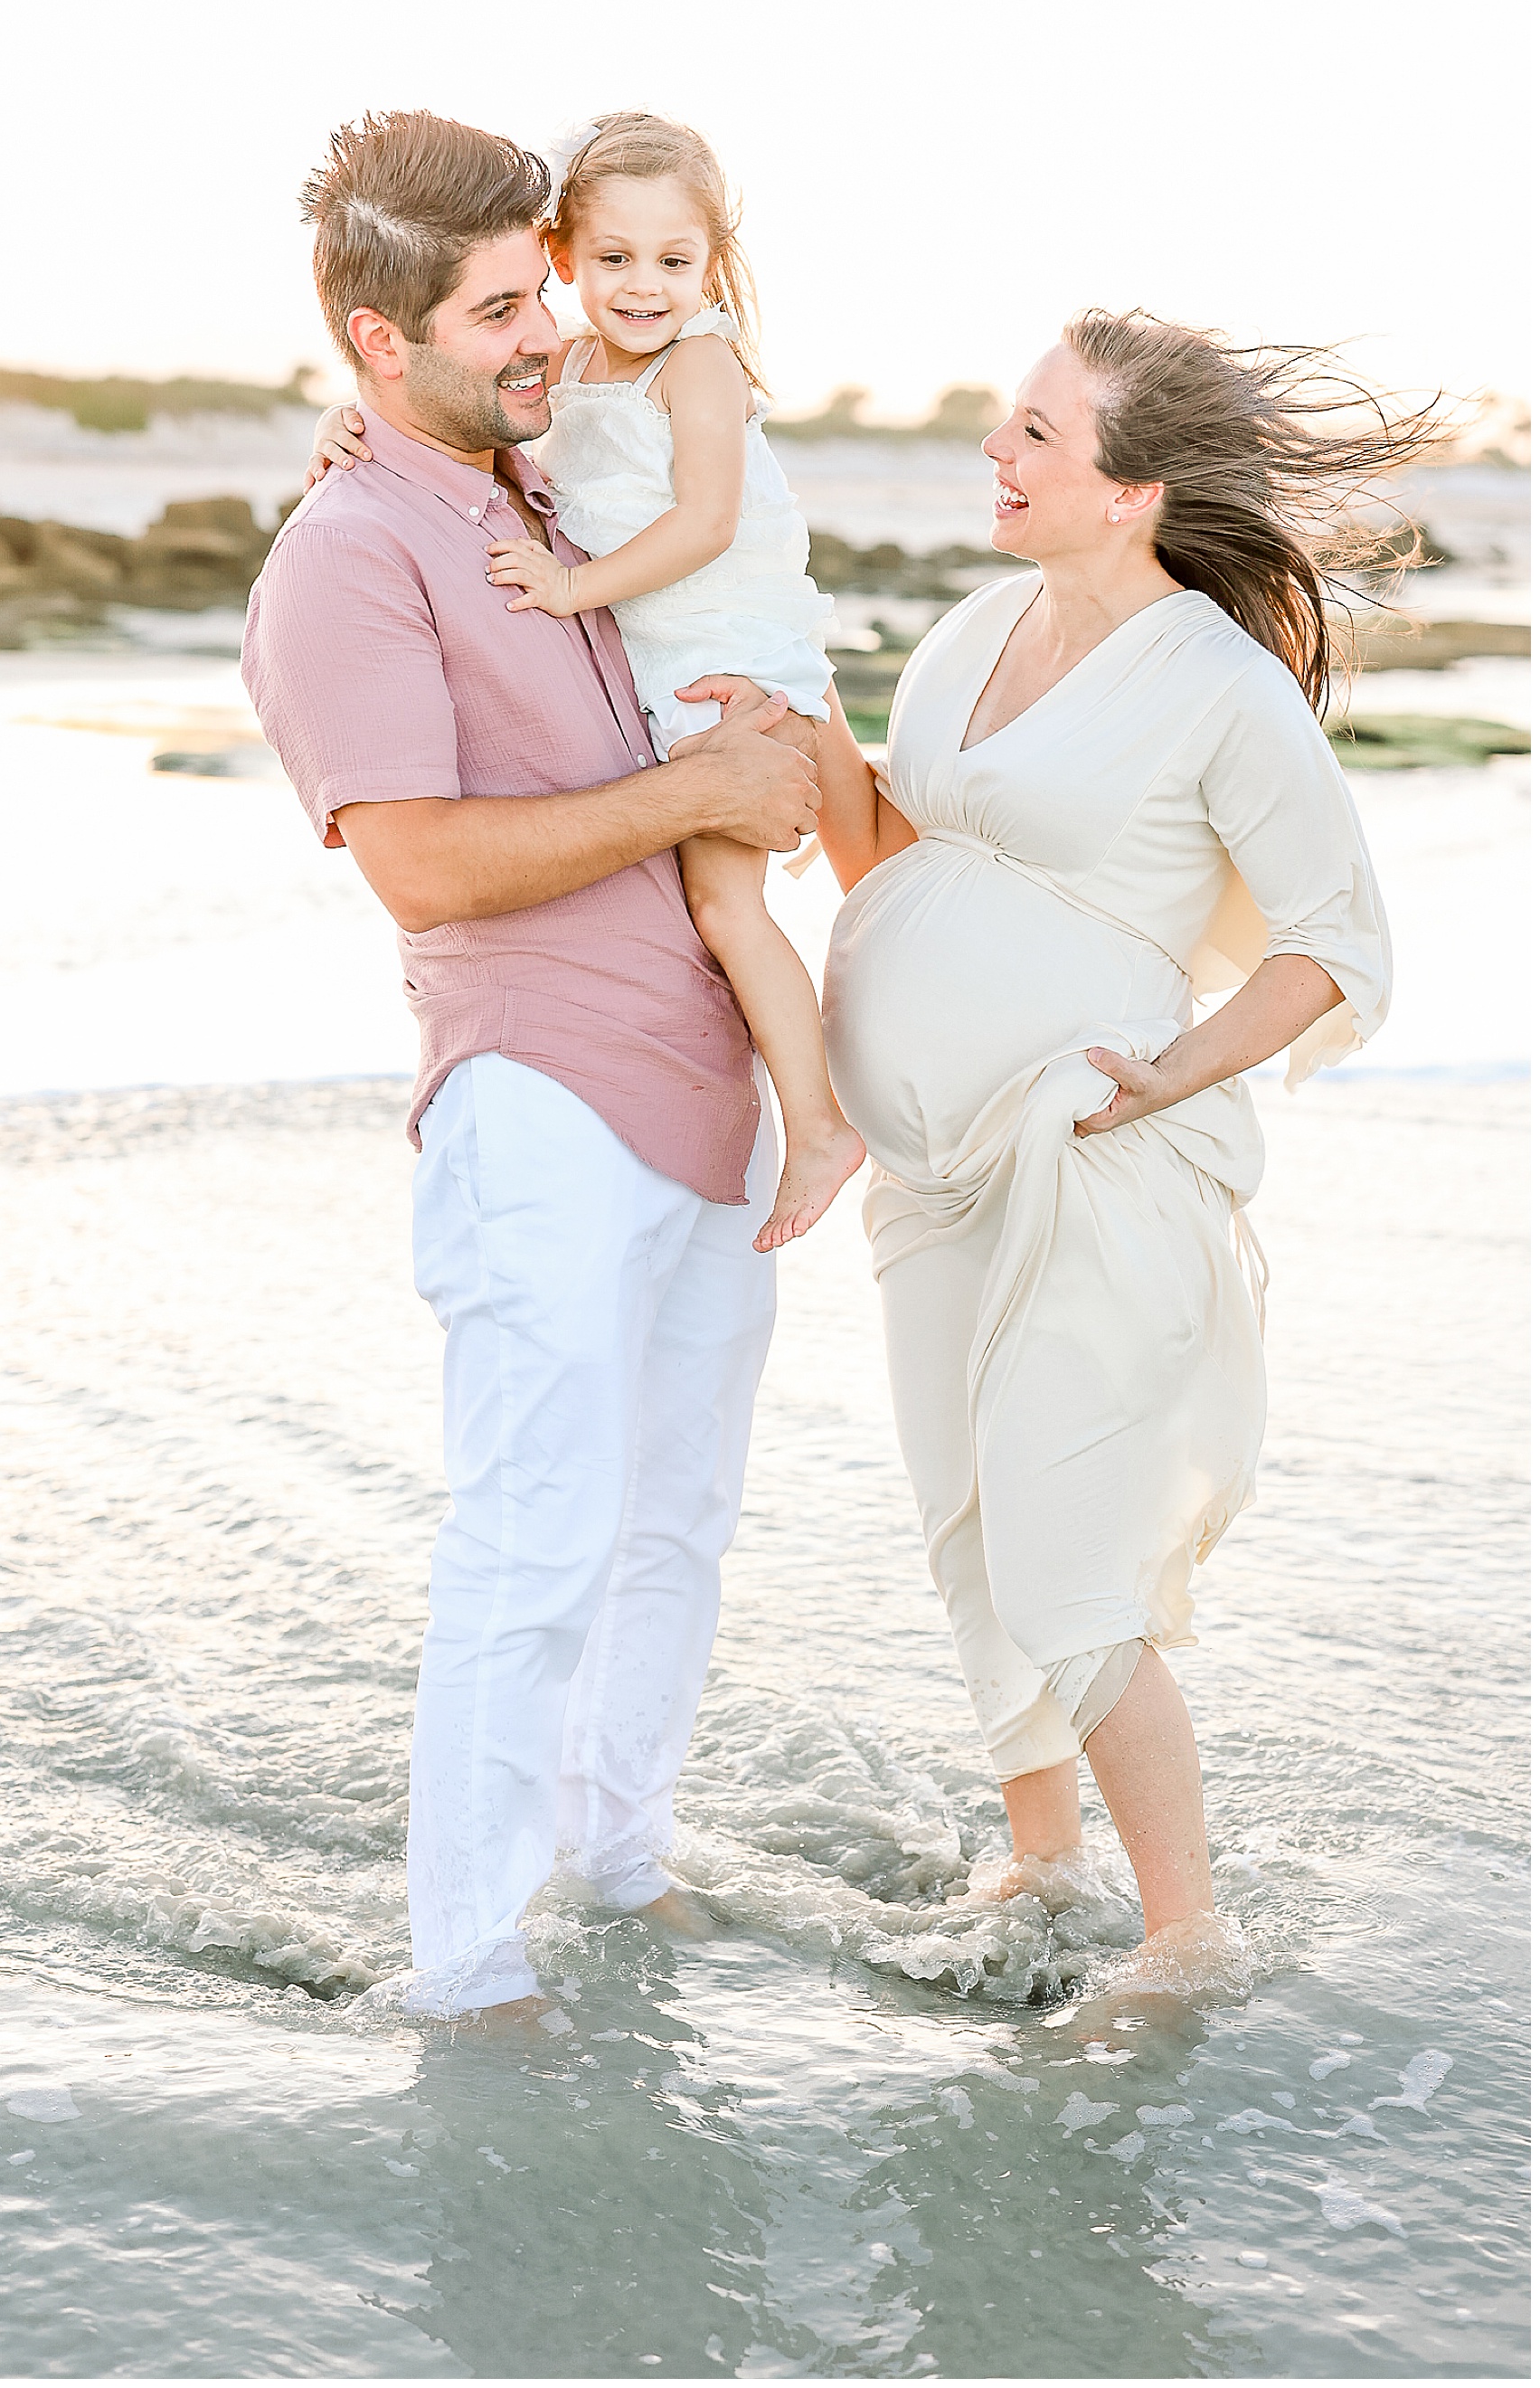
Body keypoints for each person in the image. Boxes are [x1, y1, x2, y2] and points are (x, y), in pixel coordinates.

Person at [693, 311, 1434, 1981]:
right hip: (933, 1177)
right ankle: (1042, 1866)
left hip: (1094, 1168)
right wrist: (807, 736)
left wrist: (1173, 1072)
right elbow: (888, 850)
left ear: (1133, 490)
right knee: (964, 1525)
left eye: (1037, 432)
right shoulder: (971, 628)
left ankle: (1187, 1941)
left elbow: (1338, 948)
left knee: (1067, 1556)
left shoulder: (1223, 689)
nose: (997, 450)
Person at [241, 109, 828, 2019]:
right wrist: (698, 787)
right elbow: (417, 858)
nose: (547, 336)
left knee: (676, 1525)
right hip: (540, 1098)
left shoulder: (552, 491)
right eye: (499, 311)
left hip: (706, 1087)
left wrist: (760, 746)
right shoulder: (346, 553)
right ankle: (467, 1967)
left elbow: (703, 606)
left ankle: (624, 1857)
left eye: (543, 293)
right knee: (537, 1536)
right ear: (374, 337)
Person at [307, 111, 864, 1255]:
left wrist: (572, 592)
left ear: (713, 263)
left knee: (733, 903)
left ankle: (821, 1119)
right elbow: (455, 412)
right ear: (566, 251)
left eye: (674, 261)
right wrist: (347, 417)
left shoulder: (692, 366)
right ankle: (819, 1106)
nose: (638, 288)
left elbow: (708, 521)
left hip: (722, 652)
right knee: (734, 891)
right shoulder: (555, 382)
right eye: (609, 260)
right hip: (554, 1085)